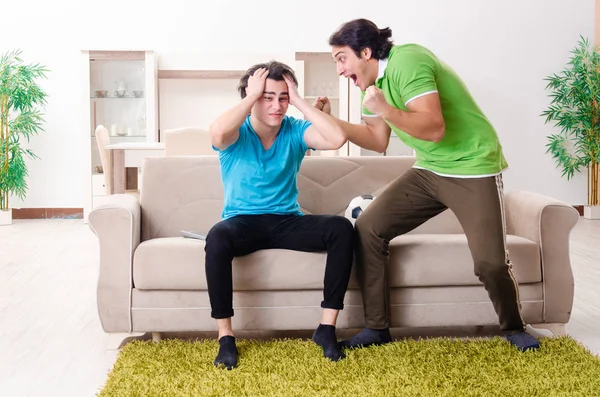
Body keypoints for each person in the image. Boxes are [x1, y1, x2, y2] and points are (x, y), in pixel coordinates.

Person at [325, 18, 540, 352]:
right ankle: (377, 328)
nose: (339, 70)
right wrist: (327, 118)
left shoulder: (408, 61)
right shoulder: (373, 87)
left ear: (365, 51)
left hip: (472, 166)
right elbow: (377, 139)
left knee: (489, 263)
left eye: (342, 58)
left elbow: (434, 128)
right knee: (368, 228)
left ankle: (514, 327)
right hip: (430, 169)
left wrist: (384, 107)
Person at [205, 60, 354, 369]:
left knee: (341, 228)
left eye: (282, 97)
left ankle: (326, 329)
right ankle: (226, 337)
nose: (276, 105)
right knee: (217, 236)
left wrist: (300, 103)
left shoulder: (294, 130)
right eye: (267, 96)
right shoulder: (237, 134)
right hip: (243, 222)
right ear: (251, 96)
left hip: (287, 221)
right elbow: (217, 132)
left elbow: (337, 139)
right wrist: (250, 96)